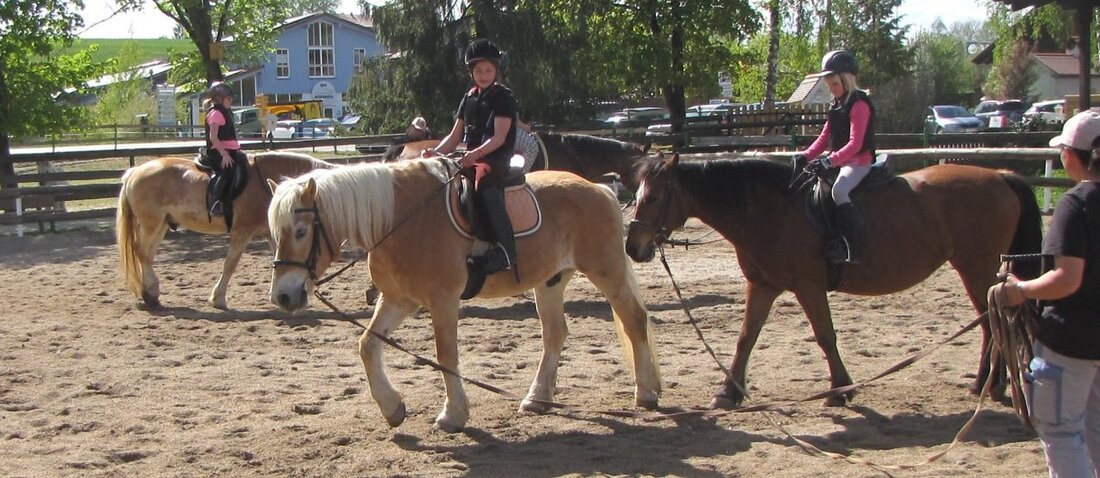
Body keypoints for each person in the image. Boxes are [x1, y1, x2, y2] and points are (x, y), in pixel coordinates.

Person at [994, 110, 1100, 477]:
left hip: (1072, 339)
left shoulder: (1076, 205)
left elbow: (1067, 279)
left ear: (1071, 155)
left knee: (1062, 433)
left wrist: (1020, 291)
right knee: (1095, 431)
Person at [422, 38, 519, 277]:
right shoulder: (469, 97)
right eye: (478, 71)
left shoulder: (503, 97)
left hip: (495, 158)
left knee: (483, 181)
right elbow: (455, 135)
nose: (483, 75)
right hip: (471, 156)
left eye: (488, 70)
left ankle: (505, 250)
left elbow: (499, 137)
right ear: (472, 72)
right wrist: (436, 153)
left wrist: (473, 155)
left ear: (496, 71)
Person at [793, 50, 876, 264]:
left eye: (835, 84)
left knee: (840, 190)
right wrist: (805, 156)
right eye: (829, 86)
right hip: (840, 161)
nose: (832, 89)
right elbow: (824, 138)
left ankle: (852, 245)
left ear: (846, 79)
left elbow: (855, 144)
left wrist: (829, 160)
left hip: (859, 162)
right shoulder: (836, 105)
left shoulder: (858, 104)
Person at [202, 82, 248, 221]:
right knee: (227, 170)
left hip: (231, 149)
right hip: (218, 151)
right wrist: (225, 155)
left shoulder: (227, 112)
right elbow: (213, 138)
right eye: (228, 98)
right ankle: (215, 202)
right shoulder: (215, 113)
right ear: (219, 99)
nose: (231, 101)